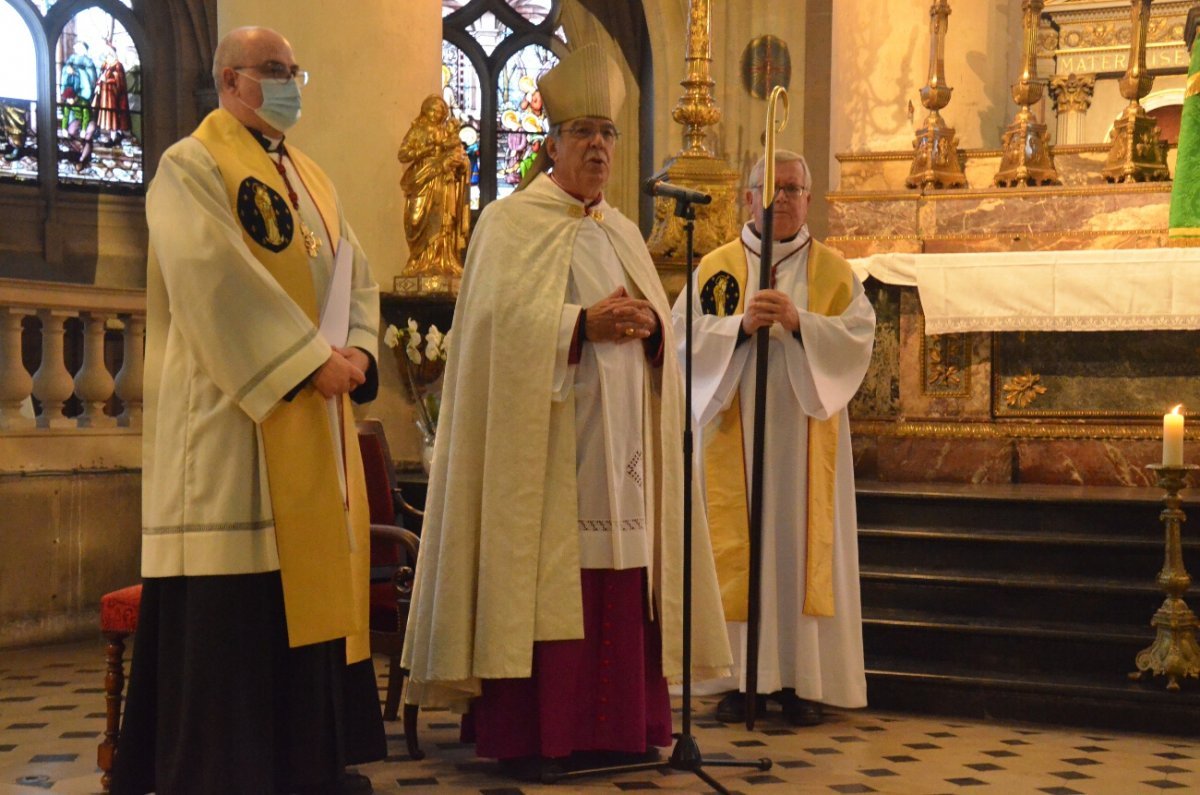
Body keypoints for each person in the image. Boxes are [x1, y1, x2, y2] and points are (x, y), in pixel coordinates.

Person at [402, 43, 731, 776]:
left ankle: (621, 731)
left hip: (624, 454)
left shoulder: (623, 232)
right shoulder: (509, 225)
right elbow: (490, 333)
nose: (597, 145)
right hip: (549, 452)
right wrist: (580, 325)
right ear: (549, 144)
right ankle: (539, 733)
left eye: (608, 133)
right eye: (582, 132)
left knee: (623, 574)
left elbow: (663, 340)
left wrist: (652, 333)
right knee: (555, 574)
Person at [110, 26, 385, 795]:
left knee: (301, 599)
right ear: (231, 79)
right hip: (232, 427)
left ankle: (305, 764)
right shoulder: (190, 165)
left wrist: (357, 352)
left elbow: (356, 276)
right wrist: (307, 361)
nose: (289, 81)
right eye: (274, 69)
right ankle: (223, 771)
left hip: (314, 415)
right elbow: (212, 277)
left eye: (296, 69)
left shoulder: (315, 181)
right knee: (238, 605)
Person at [673, 150, 875, 726]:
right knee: (741, 546)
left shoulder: (833, 272)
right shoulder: (715, 267)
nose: (781, 198)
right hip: (732, 432)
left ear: (809, 200)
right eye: (771, 187)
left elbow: (858, 338)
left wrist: (798, 322)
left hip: (805, 438)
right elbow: (681, 339)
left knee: (796, 543)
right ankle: (740, 682)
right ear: (747, 197)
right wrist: (737, 327)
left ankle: (800, 681)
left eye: (793, 188)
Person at [396, 94, 469, 277]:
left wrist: (460, 162)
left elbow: (458, 152)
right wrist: (428, 148)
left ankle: (442, 261)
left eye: (440, 111)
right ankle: (419, 261)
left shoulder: (447, 133)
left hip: (443, 182)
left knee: (444, 219)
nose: (437, 114)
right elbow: (403, 155)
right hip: (422, 179)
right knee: (416, 219)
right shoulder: (417, 131)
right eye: (433, 109)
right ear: (425, 110)